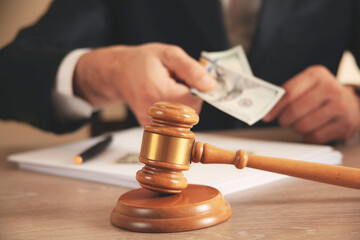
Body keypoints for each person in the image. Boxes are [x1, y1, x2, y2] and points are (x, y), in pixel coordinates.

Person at [0, 0, 359, 144]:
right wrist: (106, 72)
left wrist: (355, 104)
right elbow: (9, 73)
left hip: (307, 189)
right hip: (156, 201)